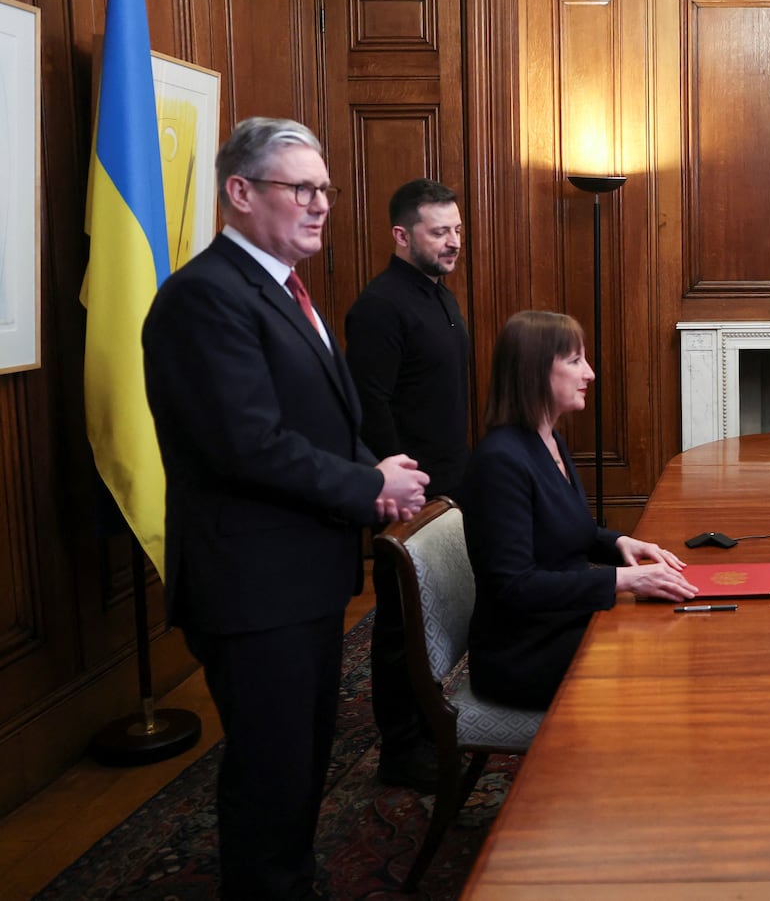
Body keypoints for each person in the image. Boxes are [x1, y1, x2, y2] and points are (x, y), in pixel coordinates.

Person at [143, 117, 429, 900]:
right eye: (299, 188)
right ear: (239, 193)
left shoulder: (281, 289)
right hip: (251, 585)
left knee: (300, 757)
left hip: (299, 577)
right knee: (271, 772)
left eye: (325, 189)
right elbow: (248, 445)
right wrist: (370, 487)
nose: (320, 205)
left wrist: (368, 462)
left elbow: (306, 425)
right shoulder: (203, 298)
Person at [459, 310, 697, 709]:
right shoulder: (499, 461)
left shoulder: (550, 441)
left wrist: (620, 541)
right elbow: (514, 587)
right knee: (670, 665)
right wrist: (624, 581)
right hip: (525, 653)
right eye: (575, 361)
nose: (590, 374)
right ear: (534, 371)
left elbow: (567, 532)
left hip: (564, 621)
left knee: (679, 631)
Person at [344, 178, 469, 792]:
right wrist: (402, 492)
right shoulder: (379, 307)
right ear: (402, 236)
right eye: (438, 231)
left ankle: (428, 722)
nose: (452, 242)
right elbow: (372, 410)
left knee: (432, 621)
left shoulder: (439, 295)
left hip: (445, 489)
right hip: (405, 497)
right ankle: (401, 749)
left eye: (456, 229)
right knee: (399, 627)